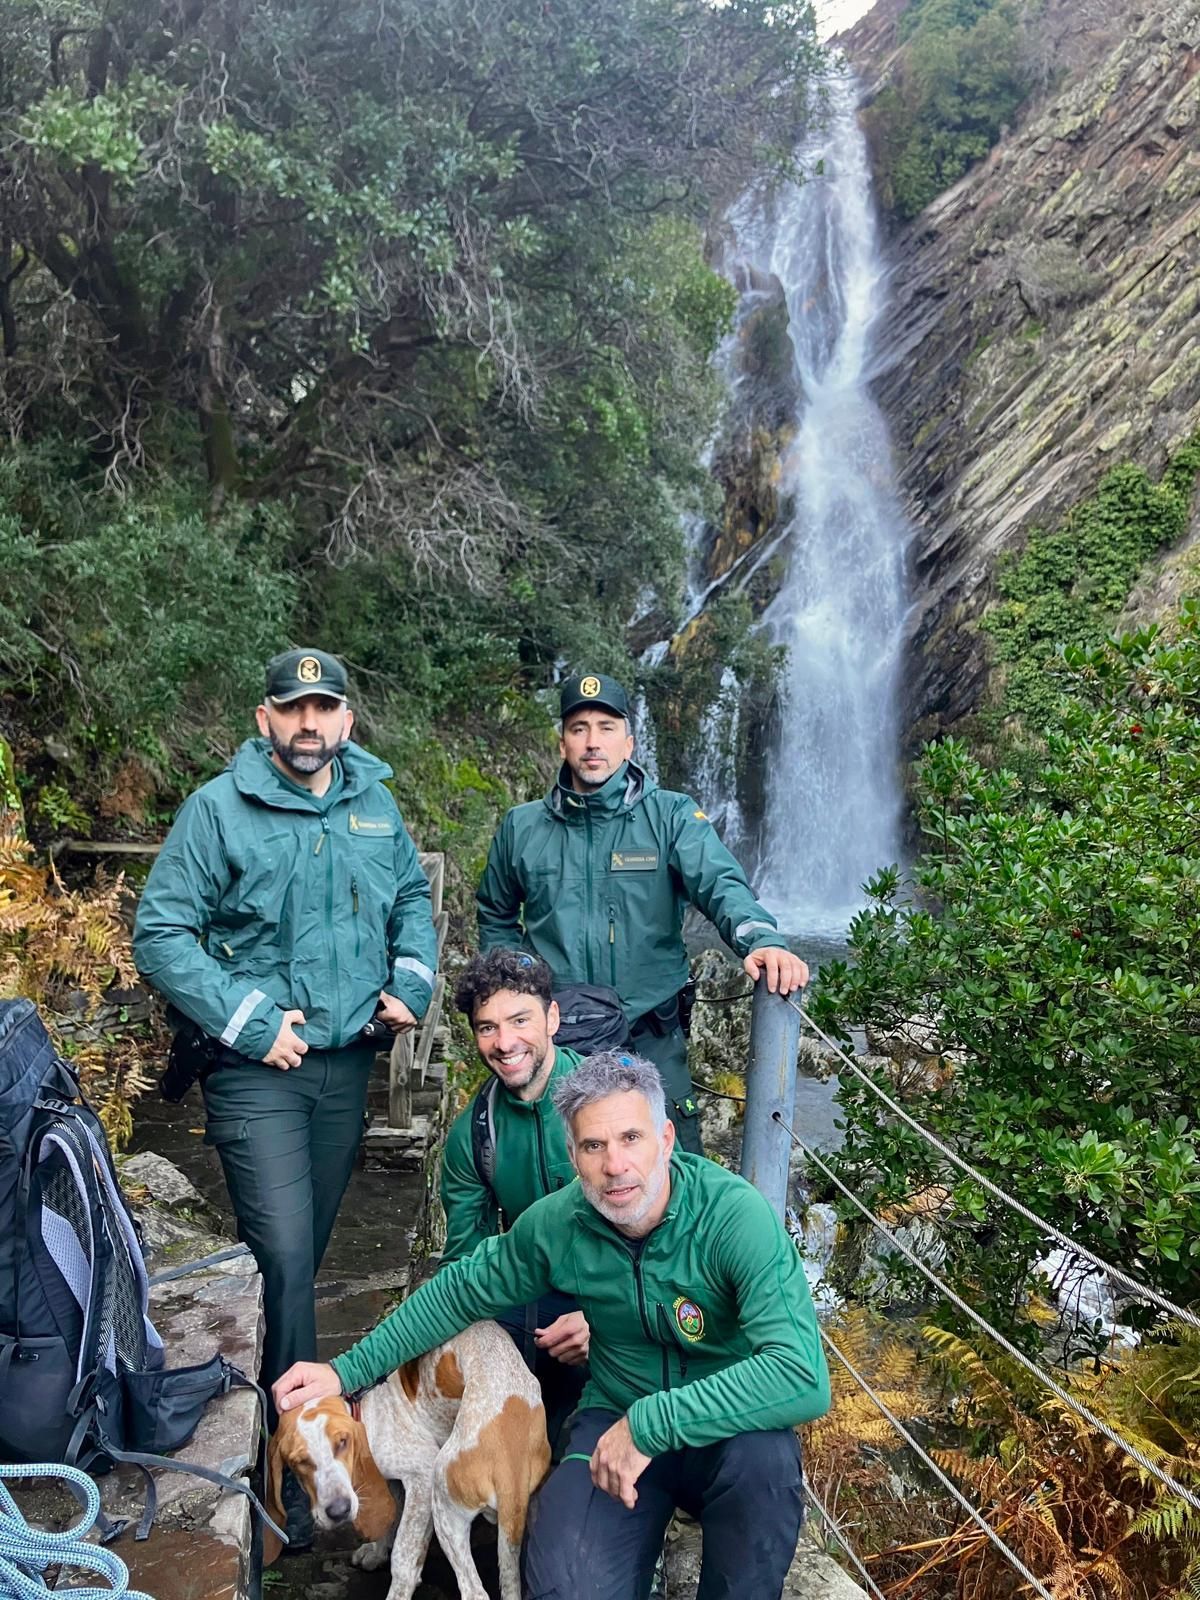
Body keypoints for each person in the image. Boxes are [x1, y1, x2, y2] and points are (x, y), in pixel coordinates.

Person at [274, 1052, 831, 1599]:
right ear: (573, 1155)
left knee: (766, 1464)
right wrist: (345, 1373)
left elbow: (801, 1376)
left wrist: (652, 1425)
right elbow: (457, 1292)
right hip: (614, 1414)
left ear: (666, 1139)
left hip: (724, 1431)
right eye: (594, 1145)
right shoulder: (561, 1223)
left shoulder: (733, 1217)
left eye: (631, 1138)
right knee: (563, 1585)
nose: (615, 1165)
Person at [133, 648, 438, 1421]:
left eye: (323, 708)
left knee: (302, 1258)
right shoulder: (218, 810)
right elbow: (161, 935)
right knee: (285, 1254)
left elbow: (410, 895)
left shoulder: (375, 806)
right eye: (293, 707)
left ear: (346, 721)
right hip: (255, 1070)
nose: (309, 722)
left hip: (348, 1064)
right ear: (264, 718)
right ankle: (298, 1446)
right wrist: (252, 1021)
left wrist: (411, 983)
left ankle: (273, 1427)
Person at [476, 671, 809, 1154]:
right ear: (563, 743)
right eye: (579, 728)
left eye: (606, 728)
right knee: (558, 1163)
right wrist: (516, 989)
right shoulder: (521, 827)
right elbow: (496, 911)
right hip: (557, 1036)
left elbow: (721, 884)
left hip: (649, 1032)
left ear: (629, 743)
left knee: (673, 1161)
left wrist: (762, 940)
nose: (593, 742)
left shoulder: (671, 816)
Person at [442, 947, 590, 1445]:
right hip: (535, 1305)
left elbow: (676, 1245)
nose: (505, 1043)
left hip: (625, 1302)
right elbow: (463, 1266)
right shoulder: (474, 1135)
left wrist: (605, 1320)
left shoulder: (610, 1102)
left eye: (520, 1020)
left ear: (552, 1018)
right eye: (487, 1027)